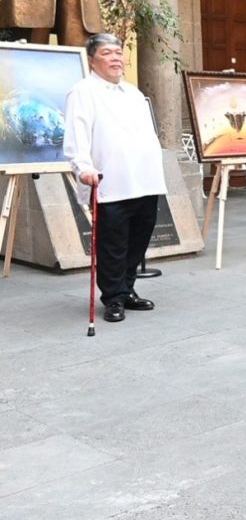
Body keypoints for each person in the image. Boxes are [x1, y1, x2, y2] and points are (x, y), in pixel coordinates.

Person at [64, 33, 167, 323]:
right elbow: (77, 134)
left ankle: (127, 288)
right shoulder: (82, 92)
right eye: (108, 53)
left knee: (138, 239)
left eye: (119, 53)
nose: (116, 59)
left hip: (144, 180)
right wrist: (82, 166)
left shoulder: (134, 93)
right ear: (92, 59)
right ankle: (113, 298)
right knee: (113, 243)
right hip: (111, 182)